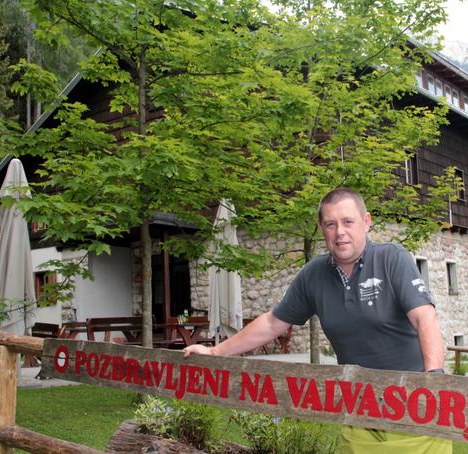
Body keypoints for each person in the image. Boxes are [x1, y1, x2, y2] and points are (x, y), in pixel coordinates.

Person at [184, 188, 451, 453]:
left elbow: (424, 318)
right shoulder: (314, 273)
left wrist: (433, 381)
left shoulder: (392, 258)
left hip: (416, 410)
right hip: (360, 412)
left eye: (348, 222)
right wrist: (215, 350)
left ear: (366, 221)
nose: (340, 232)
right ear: (321, 228)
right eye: (330, 224)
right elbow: (273, 323)